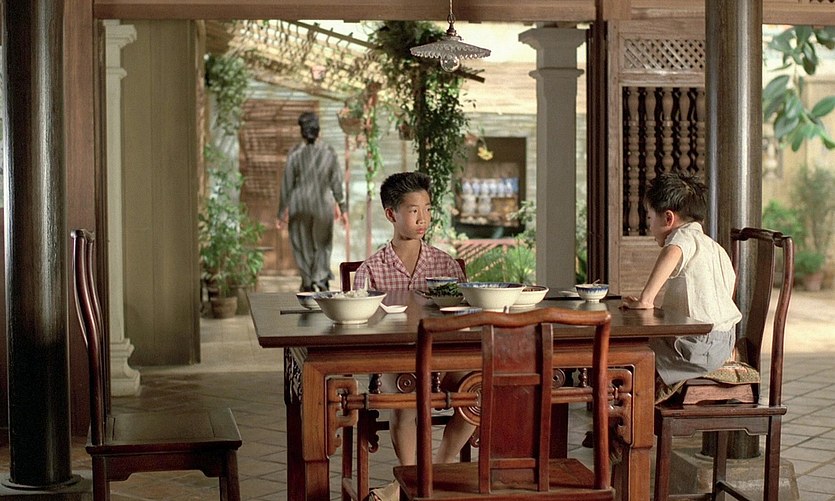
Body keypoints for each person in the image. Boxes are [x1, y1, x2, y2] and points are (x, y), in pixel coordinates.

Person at [353, 171, 471, 468]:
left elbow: (463, 314)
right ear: (391, 214)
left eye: (427, 209)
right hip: (393, 360)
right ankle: (409, 477)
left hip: (443, 357)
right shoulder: (371, 270)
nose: (423, 219)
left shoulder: (445, 264)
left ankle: (438, 469)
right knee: (407, 393)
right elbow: (360, 324)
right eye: (414, 210)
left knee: (476, 388)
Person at [621, 171, 742, 400]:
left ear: (668, 218)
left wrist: (646, 300)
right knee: (643, 345)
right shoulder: (715, 248)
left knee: (632, 353)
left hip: (698, 346)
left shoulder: (681, 239)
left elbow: (673, 252)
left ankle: (635, 412)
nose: (649, 226)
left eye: (650, 218)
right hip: (724, 342)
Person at [276, 111, 348, 292]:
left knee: (301, 244)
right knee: (323, 243)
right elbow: (336, 182)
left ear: (302, 131)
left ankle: (308, 281)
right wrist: (342, 207)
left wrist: (281, 212)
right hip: (323, 205)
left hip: (299, 205)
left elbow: (287, 183)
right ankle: (321, 279)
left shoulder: (295, 153)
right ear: (318, 130)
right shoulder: (329, 152)